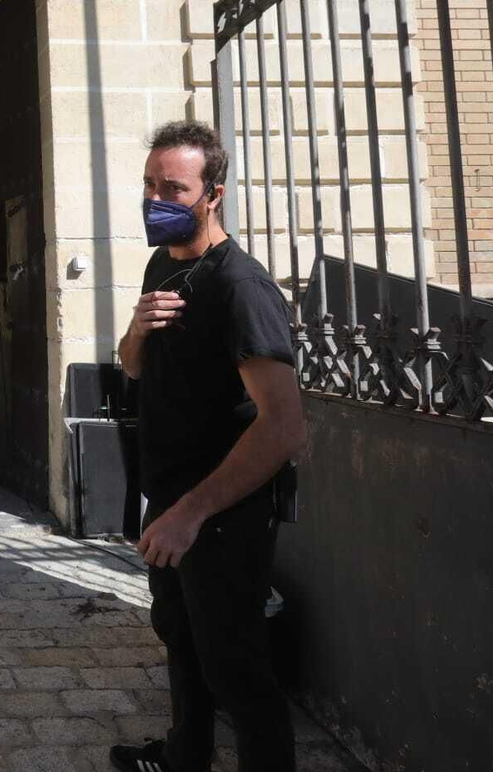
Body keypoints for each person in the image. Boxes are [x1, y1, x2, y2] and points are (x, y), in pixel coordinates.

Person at [108, 121, 307, 772]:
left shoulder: (239, 287)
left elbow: (282, 426)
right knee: (183, 642)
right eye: (149, 185)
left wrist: (193, 511)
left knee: (237, 669)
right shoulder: (163, 262)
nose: (156, 199)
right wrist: (137, 330)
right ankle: (182, 757)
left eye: (173, 188)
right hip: (167, 498)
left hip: (222, 511)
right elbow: (132, 367)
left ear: (212, 193)